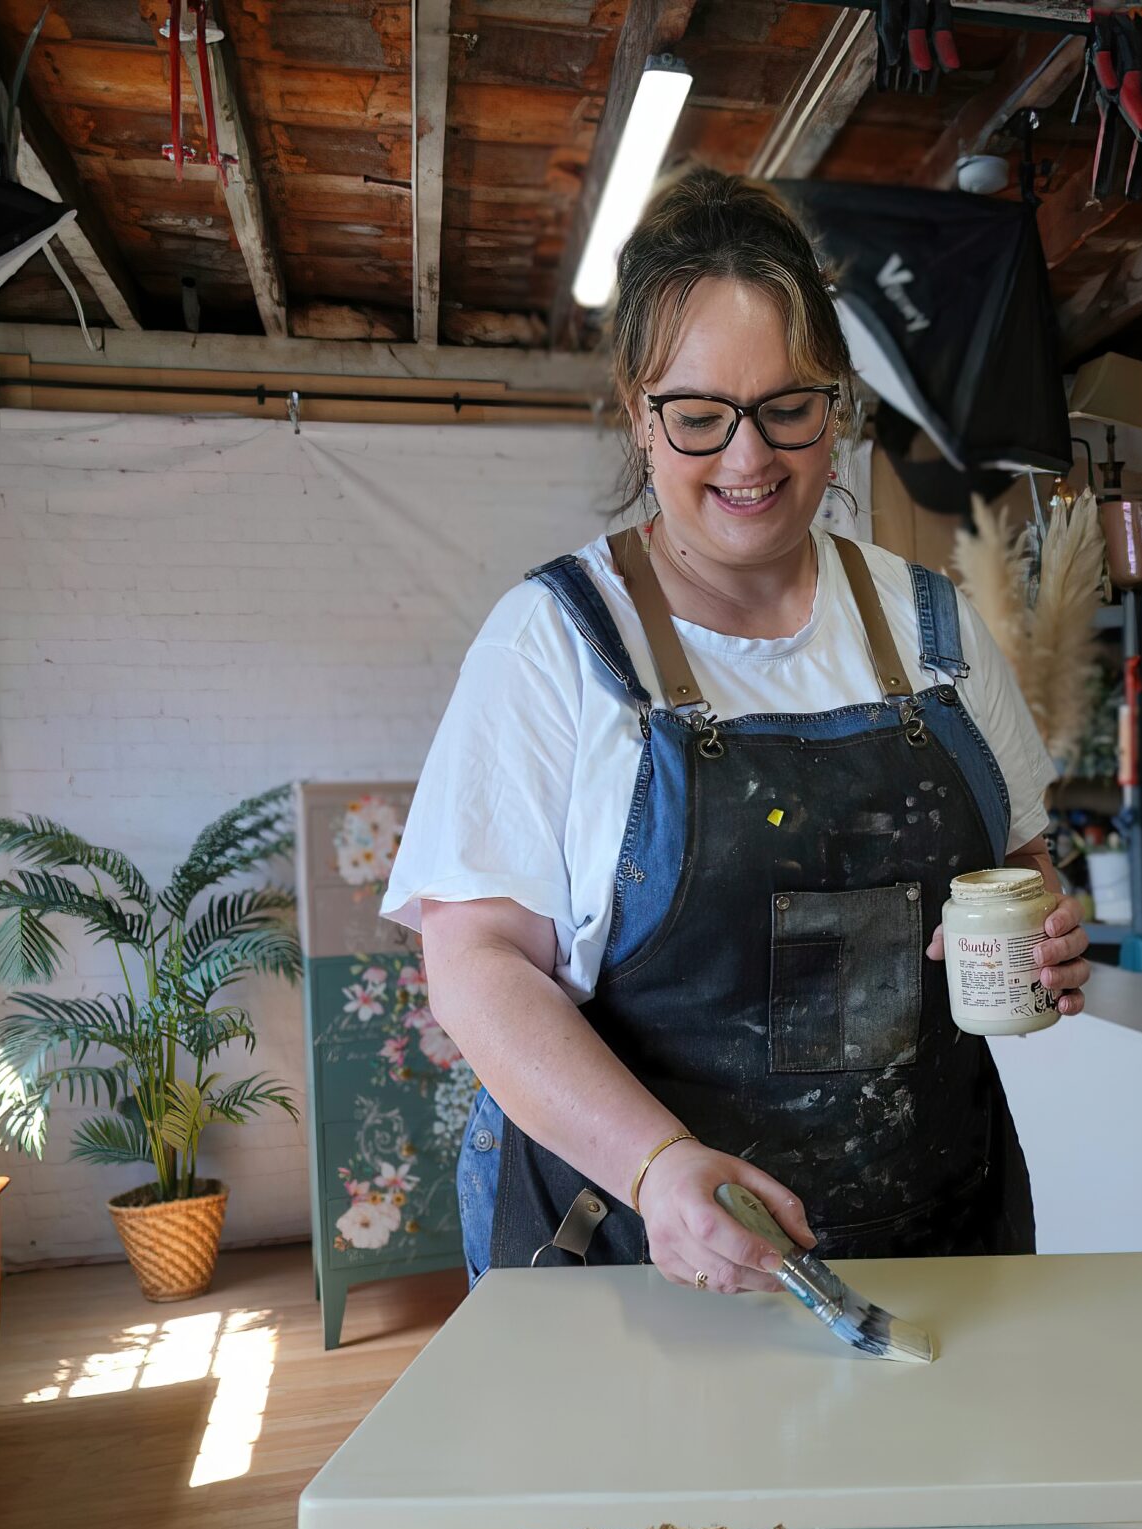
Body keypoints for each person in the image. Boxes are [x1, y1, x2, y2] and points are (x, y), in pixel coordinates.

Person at [381, 167, 1090, 1294]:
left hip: (930, 1240)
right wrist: (657, 1168)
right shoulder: (555, 644)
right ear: (638, 416)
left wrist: (1047, 931)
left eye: (788, 409)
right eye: (701, 416)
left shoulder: (934, 630)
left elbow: (1018, 867)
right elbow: (473, 962)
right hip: (631, 1247)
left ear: (837, 404)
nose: (749, 459)